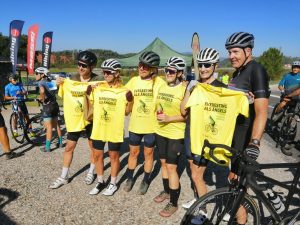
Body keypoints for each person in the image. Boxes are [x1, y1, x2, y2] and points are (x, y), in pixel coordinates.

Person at [226, 32, 270, 225]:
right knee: (235, 180)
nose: (231, 56)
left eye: (235, 51)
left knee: (240, 182)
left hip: (246, 138)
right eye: (229, 52)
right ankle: (240, 217)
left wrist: (255, 143)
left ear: (248, 51)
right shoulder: (236, 73)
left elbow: (261, 112)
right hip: (235, 136)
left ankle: (241, 220)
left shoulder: (256, 70)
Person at [180, 48, 227, 210]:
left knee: (196, 175)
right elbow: (183, 111)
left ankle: (203, 210)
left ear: (216, 66)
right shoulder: (195, 86)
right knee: (193, 171)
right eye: (200, 65)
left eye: (207, 64)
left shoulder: (222, 88)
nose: (203, 68)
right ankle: (198, 199)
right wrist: (188, 90)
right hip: (190, 133)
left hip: (206, 137)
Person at [49, 50, 102, 189]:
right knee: (69, 147)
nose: (80, 68)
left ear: (91, 67)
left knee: (93, 148)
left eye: (84, 65)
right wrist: (59, 83)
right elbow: (57, 90)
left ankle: (91, 171)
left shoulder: (98, 80)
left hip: (91, 119)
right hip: (75, 119)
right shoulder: (71, 79)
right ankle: (64, 176)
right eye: (79, 64)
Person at [88, 59, 133, 196]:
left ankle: (113, 183)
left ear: (117, 73)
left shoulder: (124, 91)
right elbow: (90, 106)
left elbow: (127, 111)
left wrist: (130, 100)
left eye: (108, 72)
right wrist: (87, 93)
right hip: (99, 128)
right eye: (104, 72)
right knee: (97, 155)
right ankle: (100, 181)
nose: (105, 75)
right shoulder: (98, 88)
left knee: (114, 156)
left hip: (114, 128)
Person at [124, 51, 165, 195]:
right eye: (140, 65)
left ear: (153, 69)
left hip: (151, 127)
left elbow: (165, 102)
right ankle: (130, 177)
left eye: (146, 66)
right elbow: (119, 96)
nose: (141, 68)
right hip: (135, 125)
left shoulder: (160, 83)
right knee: (133, 153)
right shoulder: (134, 81)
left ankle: (146, 179)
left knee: (148, 154)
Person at [153, 57, 186, 217]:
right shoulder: (162, 86)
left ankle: (173, 203)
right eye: (166, 70)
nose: (168, 73)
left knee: (172, 167)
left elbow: (187, 116)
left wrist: (169, 118)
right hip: (160, 131)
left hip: (176, 133)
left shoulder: (184, 89)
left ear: (179, 73)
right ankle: (166, 191)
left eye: (172, 71)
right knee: (163, 163)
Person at [35, 67, 63, 152]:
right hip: (55, 104)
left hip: (47, 106)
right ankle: (60, 143)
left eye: (36, 73)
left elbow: (42, 92)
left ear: (42, 74)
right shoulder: (50, 81)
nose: (35, 75)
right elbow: (54, 91)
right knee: (56, 125)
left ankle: (47, 147)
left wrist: (42, 99)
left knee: (49, 127)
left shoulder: (41, 82)